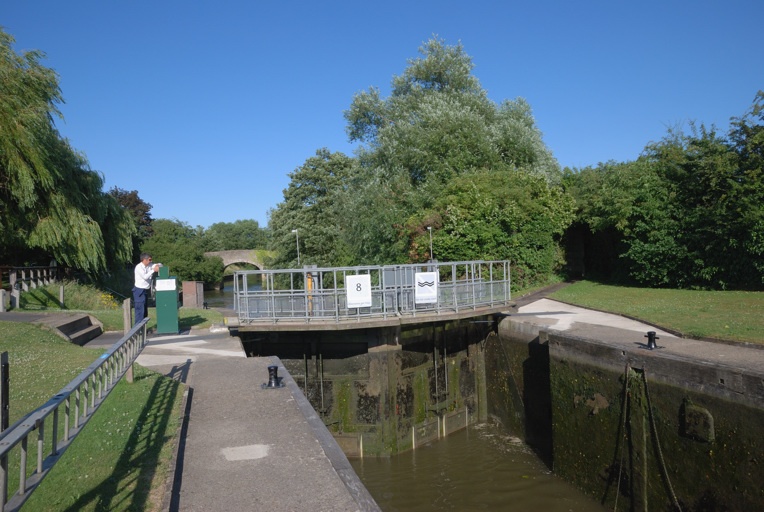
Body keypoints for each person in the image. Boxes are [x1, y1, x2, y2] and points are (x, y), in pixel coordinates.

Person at [133, 253, 159, 325]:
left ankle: (143, 328)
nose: (151, 261)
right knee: (140, 311)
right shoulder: (139, 267)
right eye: (149, 260)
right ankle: (137, 329)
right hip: (139, 291)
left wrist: (157, 265)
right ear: (144, 260)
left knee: (144, 311)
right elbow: (145, 276)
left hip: (145, 290)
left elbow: (155, 265)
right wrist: (153, 270)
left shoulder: (149, 265)